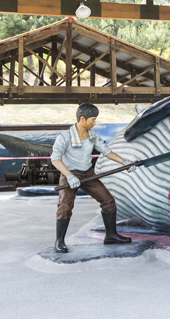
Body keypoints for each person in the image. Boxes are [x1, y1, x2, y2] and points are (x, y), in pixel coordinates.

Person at [51, 103, 135, 253]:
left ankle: (111, 236)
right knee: (64, 207)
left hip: (88, 173)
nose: (94, 123)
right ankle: (59, 242)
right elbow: (55, 159)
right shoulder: (64, 137)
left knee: (108, 201)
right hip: (69, 173)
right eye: (93, 119)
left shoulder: (92, 135)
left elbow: (107, 152)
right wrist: (69, 176)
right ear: (82, 119)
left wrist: (125, 162)